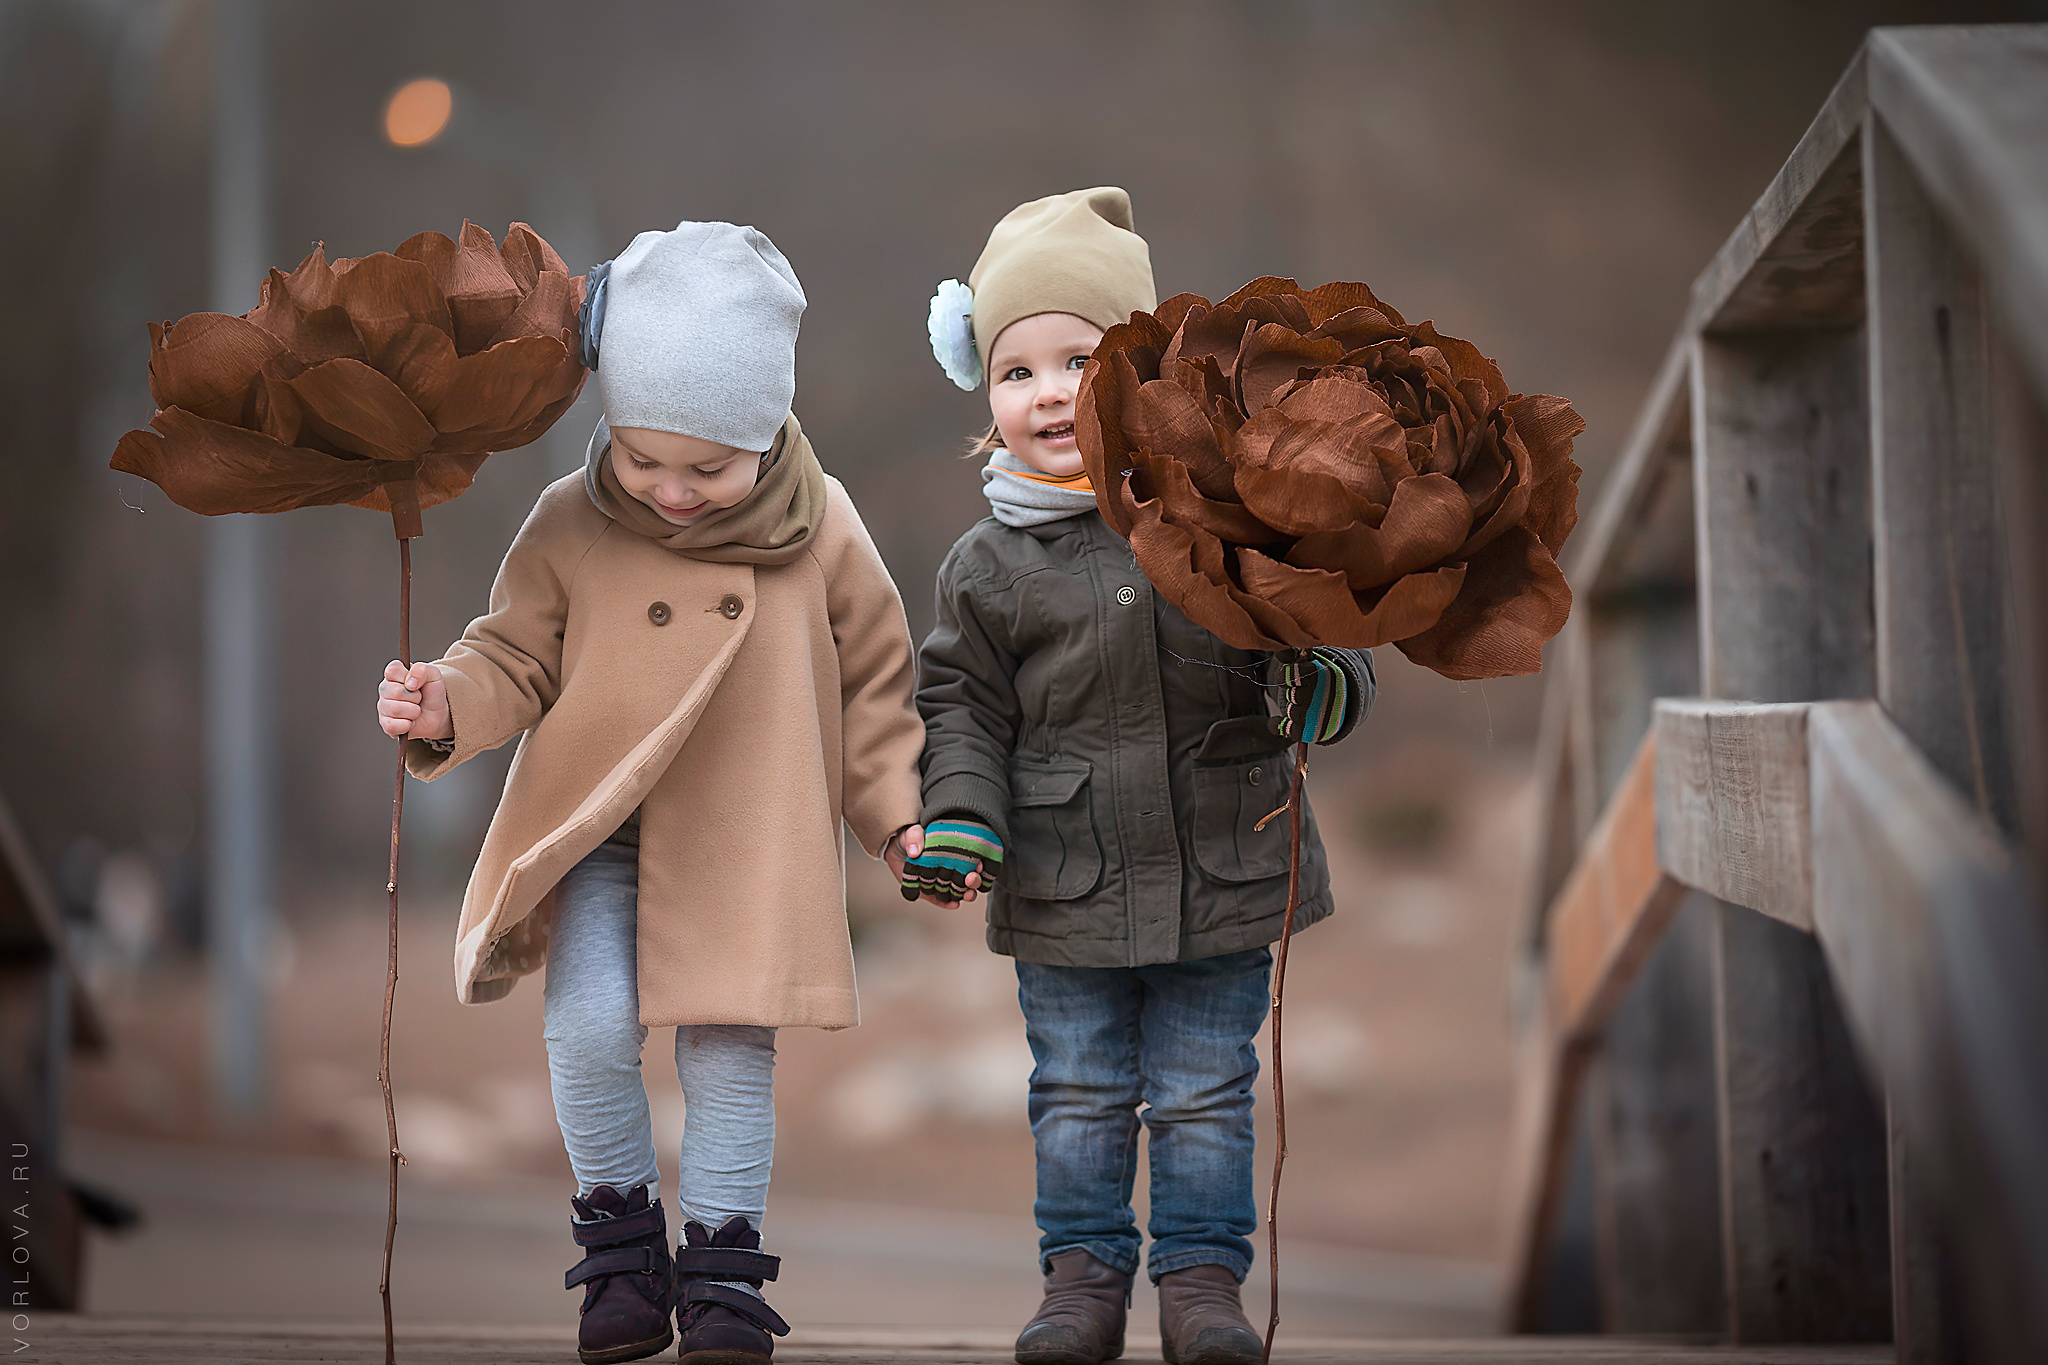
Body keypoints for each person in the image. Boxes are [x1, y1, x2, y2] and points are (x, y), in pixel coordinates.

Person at [374, 220, 926, 1365]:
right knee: (584, 1027)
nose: (671, 491)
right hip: (602, 827)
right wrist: (447, 699)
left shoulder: (820, 527)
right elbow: (513, 651)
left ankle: (722, 1275)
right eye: (641, 460)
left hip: (746, 833)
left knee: (729, 1052)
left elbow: (877, 681)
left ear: (765, 433)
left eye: (707, 470)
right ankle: (621, 1247)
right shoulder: (571, 520)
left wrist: (893, 813)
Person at [901, 188, 1374, 1365]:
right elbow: (961, 705)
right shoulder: (984, 565)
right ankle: (1081, 1284)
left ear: (1143, 372)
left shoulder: (1225, 515)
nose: (1047, 393)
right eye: (1015, 371)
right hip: (1062, 877)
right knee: (1077, 1090)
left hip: (1224, 863)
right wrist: (958, 816)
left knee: (1206, 1089)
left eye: (1079, 361)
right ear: (981, 391)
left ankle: (1202, 1287)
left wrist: (1324, 684)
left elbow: (1324, 617)